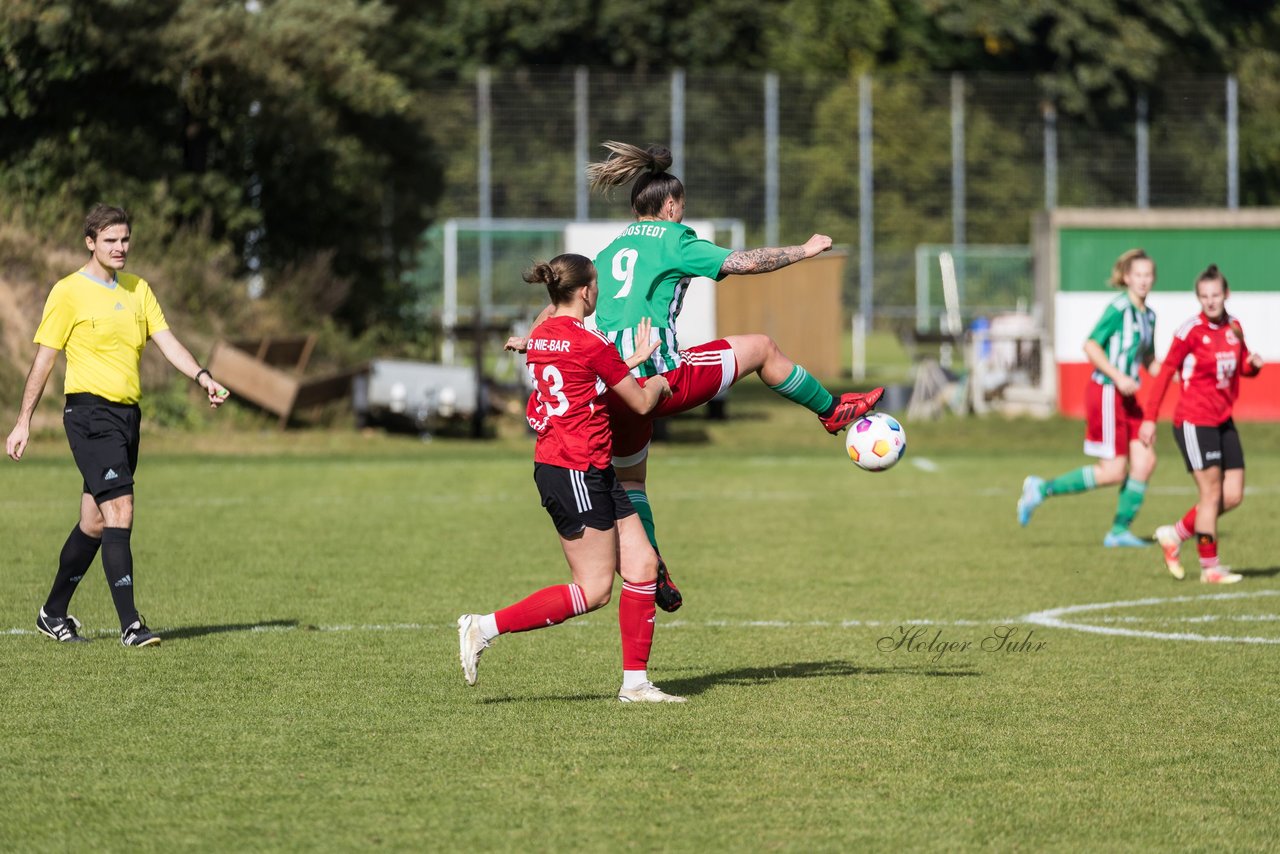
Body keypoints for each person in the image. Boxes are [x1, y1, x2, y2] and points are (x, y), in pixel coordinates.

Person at [510, 141, 883, 610]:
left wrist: (532, 336)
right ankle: (832, 411)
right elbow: (743, 263)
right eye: (681, 208)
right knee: (763, 349)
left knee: (632, 484)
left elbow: (560, 304)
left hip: (614, 389)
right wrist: (805, 250)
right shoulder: (675, 239)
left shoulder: (612, 248)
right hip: (660, 376)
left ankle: (653, 565)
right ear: (670, 205)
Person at [459, 253, 685, 703]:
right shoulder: (588, 343)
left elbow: (582, 375)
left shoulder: (542, 335)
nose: (598, 291)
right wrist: (662, 379)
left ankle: (635, 685)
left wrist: (629, 360)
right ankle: (483, 627)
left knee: (641, 565)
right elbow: (640, 403)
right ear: (585, 291)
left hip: (587, 465)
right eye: (596, 284)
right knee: (595, 589)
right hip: (573, 469)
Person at [6, 204, 230, 647]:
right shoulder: (68, 292)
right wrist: (22, 421)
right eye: (110, 240)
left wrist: (203, 377)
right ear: (90, 242)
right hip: (89, 415)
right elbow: (44, 360)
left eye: (125, 239)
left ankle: (52, 613)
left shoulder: (138, 290)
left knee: (94, 522)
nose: (120, 247)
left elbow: (167, 342)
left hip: (128, 418)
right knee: (121, 509)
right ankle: (131, 625)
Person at [1017, 248, 1159, 547]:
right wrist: (1119, 377)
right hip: (1107, 391)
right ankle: (1041, 489)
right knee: (1113, 471)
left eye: (1148, 275)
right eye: (1138, 275)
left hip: (1128, 398)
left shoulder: (1149, 316)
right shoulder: (1118, 309)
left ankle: (1118, 532)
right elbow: (1091, 346)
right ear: (1127, 277)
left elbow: (1149, 360)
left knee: (1145, 460)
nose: (1144, 280)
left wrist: (1183, 370)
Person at [1139, 265, 1262, 584]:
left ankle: (1175, 534)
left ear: (1226, 294)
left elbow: (1241, 367)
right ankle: (1210, 568)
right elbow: (1165, 373)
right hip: (1194, 421)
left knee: (1232, 495)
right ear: (1198, 297)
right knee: (1210, 494)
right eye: (1204, 296)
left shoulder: (1234, 327)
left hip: (1223, 419)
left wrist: (1253, 366)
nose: (1210, 301)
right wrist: (1149, 419)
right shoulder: (1189, 331)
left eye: (1216, 295)